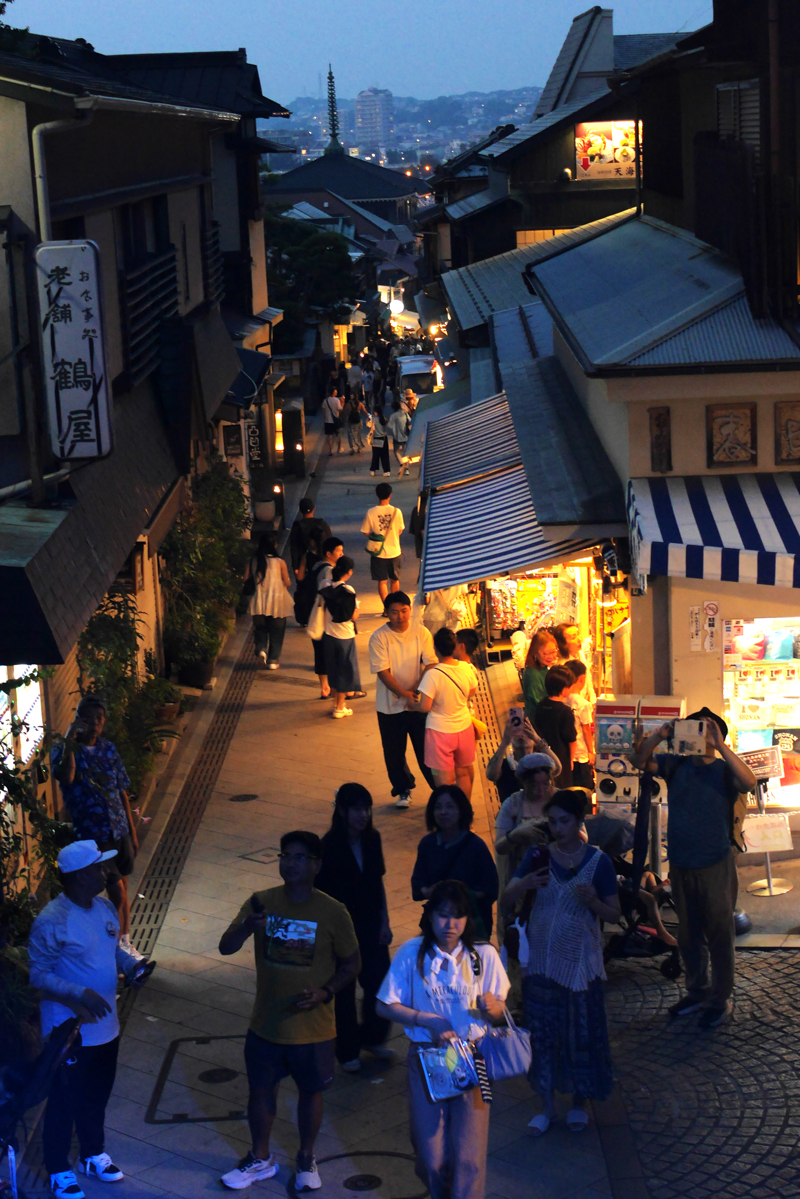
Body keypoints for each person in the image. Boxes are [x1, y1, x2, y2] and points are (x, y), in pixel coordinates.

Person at [219, 831, 360, 1192]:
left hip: (313, 1029)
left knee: (311, 1093)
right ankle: (260, 1157)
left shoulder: (333, 911)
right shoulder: (261, 902)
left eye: (300, 857)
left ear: (317, 866)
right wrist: (247, 928)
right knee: (260, 1092)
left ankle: (306, 1157)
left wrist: (325, 992)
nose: (291, 863)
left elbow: (352, 963)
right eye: (286, 855)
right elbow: (226, 946)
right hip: (266, 1024)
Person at [28, 840, 152, 1199]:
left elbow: (113, 951)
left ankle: (92, 1153)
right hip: (69, 1032)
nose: (105, 873)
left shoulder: (103, 908)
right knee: (65, 1098)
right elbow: (38, 975)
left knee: (97, 1094)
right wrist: (78, 994)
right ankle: (57, 1168)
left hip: (107, 1027)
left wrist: (133, 967)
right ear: (79, 876)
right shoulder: (52, 920)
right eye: (98, 868)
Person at [376, 880, 509, 1199]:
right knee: (430, 1155)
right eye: (442, 914)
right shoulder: (412, 953)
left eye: (458, 916)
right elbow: (384, 1004)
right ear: (430, 916)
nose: (450, 924)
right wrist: (427, 1020)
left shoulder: (483, 955)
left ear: (468, 919)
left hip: (472, 1056)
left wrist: (493, 1008)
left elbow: (501, 1010)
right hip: (427, 1057)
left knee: (469, 1158)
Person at [502, 789, 620, 1135]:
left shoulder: (599, 862)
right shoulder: (537, 856)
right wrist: (524, 883)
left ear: (579, 821)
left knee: (580, 1034)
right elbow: (506, 897)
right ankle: (547, 1105)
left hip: (581, 963)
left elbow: (613, 913)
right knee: (543, 1035)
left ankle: (579, 1103)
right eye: (552, 822)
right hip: (541, 961)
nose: (557, 828)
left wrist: (595, 902)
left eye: (564, 821)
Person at [630, 708, 756, 1029]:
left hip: (715, 863)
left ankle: (719, 998)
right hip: (683, 864)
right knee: (688, 933)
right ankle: (697, 990)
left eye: (703, 730)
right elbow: (638, 761)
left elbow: (749, 781)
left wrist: (720, 745)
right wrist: (660, 734)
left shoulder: (725, 769)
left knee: (719, 934)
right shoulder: (677, 764)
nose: (696, 735)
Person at [51, 696, 141, 957]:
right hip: (93, 835)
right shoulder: (66, 750)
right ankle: (116, 949)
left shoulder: (108, 749)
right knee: (116, 891)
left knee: (123, 886)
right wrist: (70, 735)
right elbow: (66, 776)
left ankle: (125, 942)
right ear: (79, 719)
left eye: (100, 718)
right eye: (90, 717)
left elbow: (121, 791)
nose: (96, 723)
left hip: (118, 828)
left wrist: (132, 831)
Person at [316, 784, 393, 1072]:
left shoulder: (372, 839)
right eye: (358, 809)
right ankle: (347, 1049)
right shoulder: (329, 847)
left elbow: (378, 882)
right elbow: (322, 896)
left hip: (371, 924)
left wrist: (384, 921)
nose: (364, 815)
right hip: (341, 930)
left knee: (379, 983)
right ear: (342, 811)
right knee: (344, 991)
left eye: (367, 808)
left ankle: (372, 1037)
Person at [368, 591, 437, 809]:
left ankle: (439, 789)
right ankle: (403, 788)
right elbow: (382, 671)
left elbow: (430, 664)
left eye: (404, 611)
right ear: (387, 613)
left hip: (418, 704)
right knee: (394, 752)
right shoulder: (379, 637)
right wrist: (401, 692)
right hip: (389, 707)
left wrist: (416, 689)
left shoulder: (421, 632)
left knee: (426, 750)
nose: (400, 616)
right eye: (394, 612)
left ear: (410, 609)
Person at [411, 785, 498, 937]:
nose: (443, 812)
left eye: (450, 806)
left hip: (470, 924)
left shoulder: (476, 845)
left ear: (461, 810)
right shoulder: (427, 844)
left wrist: (461, 895)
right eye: (438, 807)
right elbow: (418, 882)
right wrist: (429, 891)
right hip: (438, 923)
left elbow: (491, 887)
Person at [408, 627, 477, 797]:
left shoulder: (433, 675)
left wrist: (413, 706)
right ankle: (465, 816)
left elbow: (424, 706)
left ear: (435, 649)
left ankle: (448, 818)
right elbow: (471, 692)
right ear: (454, 647)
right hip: (464, 728)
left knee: (444, 782)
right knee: (463, 774)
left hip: (439, 732)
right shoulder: (466, 668)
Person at [494, 752, 558, 893]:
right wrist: (516, 834)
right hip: (522, 877)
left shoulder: (560, 799)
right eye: (534, 785)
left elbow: (582, 837)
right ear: (524, 782)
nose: (541, 790)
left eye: (546, 784)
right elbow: (499, 847)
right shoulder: (513, 804)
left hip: (557, 875)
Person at [320, 556, 366, 718]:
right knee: (345, 671)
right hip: (345, 636)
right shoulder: (349, 591)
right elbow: (353, 616)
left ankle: (337, 703)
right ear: (349, 572)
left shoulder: (325, 586)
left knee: (333, 668)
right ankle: (340, 707)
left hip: (328, 634)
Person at [245, 533, 294, 669]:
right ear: (275, 545)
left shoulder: (253, 560)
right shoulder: (279, 562)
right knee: (277, 631)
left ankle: (261, 649)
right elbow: (287, 582)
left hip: (258, 601)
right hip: (277, 602)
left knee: (260, 628)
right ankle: (273, 660)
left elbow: (245, 579)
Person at [485, 715, 558, 803]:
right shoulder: (504, 765)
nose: (521, 736)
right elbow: (491, 775)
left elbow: (557, 768)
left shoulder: (541, 762)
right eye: (516, 732)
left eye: (526, 732)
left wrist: (537, 739)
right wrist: (504, 742)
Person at [309, 537, 343, 699]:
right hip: (324, 617)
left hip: (314, 613)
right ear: (329, 553)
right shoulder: (329, 570)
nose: (342, 554)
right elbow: (329, 594)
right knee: (331, 652)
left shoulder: (316, 565)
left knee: (319, 652)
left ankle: (324, 687)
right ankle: (336, 689)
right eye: (339, 551)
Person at [533, 666, 577, 788]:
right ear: (563, 689)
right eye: (570, 686)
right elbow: (571, 739)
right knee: (561, 788)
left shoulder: (541, 705)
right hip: (561, 757)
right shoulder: (565, 711)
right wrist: (571, 760)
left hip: (543, 754)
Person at [361, 482, 404, 602]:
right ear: (390, 495)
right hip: (395, 551)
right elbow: (400, 530)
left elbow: (365, 532)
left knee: (382, 581)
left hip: (378, 552)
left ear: (377, 495)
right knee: (395, 579)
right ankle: (394, 605)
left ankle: (386, 607)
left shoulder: (371, 512)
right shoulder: (397, 511)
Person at [565, 660, 595, 791]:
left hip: (566, 751)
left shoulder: (562, 699)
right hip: (581, 751)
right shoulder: (583, 704)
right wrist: (591, 751)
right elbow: (586, 729)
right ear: (582, 679)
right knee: (584, 789)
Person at [289, 498, 332, 587]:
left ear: (300, 510)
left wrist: (295, 566)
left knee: (305, 587)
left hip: (304, 564)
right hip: (322, 560)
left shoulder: (297, 526)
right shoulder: (322, 524)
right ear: (314, 508)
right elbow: (330, 542)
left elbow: (294, 547)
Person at [521, 631, 559, 725]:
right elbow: (540, 703)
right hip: (537, 723)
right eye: (546, 653)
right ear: (535, 653)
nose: (551, 656)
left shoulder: (543, 668)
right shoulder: (533, 674)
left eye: (553, 652)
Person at [553, 623, 596, 705]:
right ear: (563, 644)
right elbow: (567, 697)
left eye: (578, 634)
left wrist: (593, 701)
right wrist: (583, 702)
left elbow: (588, 681)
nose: (579, 639)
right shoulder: (563, 666)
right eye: (573, 637)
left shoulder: (580, 654)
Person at [388, 399, 411, 475]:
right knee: (406, 452)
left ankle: (401, 464)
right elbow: (410, 423)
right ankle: (406, 469)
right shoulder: (405, 414)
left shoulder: (393, 416)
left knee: (396, 451)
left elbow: (389, 426)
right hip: (406, 435)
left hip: (397, 436)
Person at [368, 402, 391, 476]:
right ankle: (386, 471)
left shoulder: (374, 419)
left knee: (375, 456)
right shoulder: (384, 419)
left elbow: (368, 425)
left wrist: (369, 418)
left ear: (375, 412)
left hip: (376, 439)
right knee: (385, 456)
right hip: (384, 439)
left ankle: (373, 470)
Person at [322, 390, 343, 455]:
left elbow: (324, 410)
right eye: (336, 391)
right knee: (338, 434)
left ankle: (331, 450)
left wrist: (325, 418)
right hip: (335, 420)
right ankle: (339, 449)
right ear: (334, 392)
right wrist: (342, 403)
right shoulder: (337, 400)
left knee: (329, 436)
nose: (336, 392)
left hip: (328, 420)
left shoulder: (325, 401)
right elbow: (340, 409)